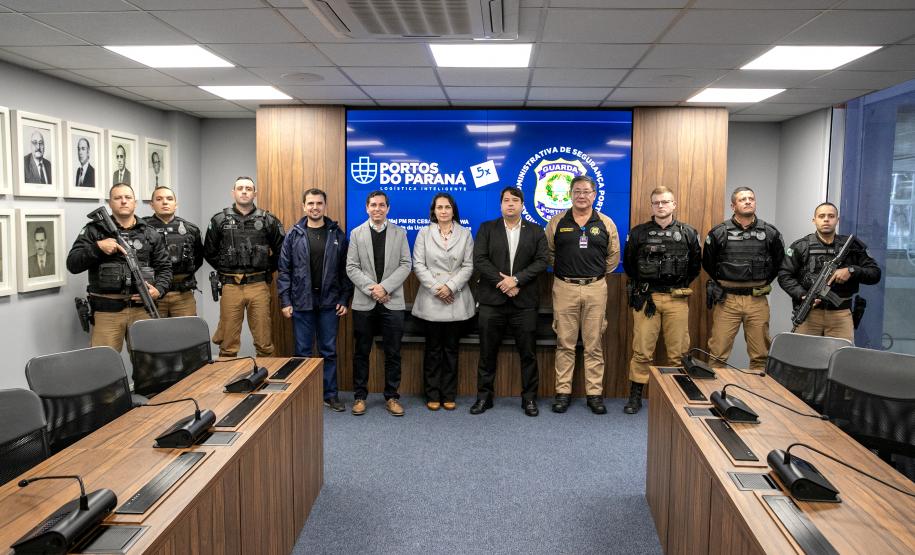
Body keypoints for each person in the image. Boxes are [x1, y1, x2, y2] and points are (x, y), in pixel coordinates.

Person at [545, 175, 620, 415]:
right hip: (564, 287)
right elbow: (548, 253)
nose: (581, 196)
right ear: (570, 194)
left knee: (594, 344)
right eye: (577, 191)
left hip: (595, 288)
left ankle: (594, 395)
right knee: (564, 343)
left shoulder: (605, 223)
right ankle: (563, 393)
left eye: (586, 191)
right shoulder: (557, 222)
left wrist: (593, 275)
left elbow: (613, 257)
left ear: (594, 195)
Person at [622, 186, 701, 414]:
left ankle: (676, 397)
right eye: (656, 202)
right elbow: (629, 265)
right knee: (642, 351)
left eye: (665, 202)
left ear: (673, 205)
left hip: (677, 298)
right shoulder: (638, 233)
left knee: (678, 352)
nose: (661, 206)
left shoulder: (688, 232)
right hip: (648, 299)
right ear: (651, 206)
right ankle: (635, 396)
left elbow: (696, 265)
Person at [471, 186, 548, 417]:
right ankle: (484, 398)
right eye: (506, 200)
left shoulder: (536, 231)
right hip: (491, 302)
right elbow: (480, 260)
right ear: (501, 205)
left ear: (522, 205)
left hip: (523, 302)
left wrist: (516, 280)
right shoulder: (487, 228)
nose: (510, 204)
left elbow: (542, 260)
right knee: (486, 353)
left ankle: (529, 399)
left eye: (515, 200)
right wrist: (503, 283)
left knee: (528, 354)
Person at [66, 183, 172, 352]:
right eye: (118, 198)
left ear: (135, 202)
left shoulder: (150, 232)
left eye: (128, 197)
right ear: (110, 203)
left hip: (142, 310)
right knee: (104, 365)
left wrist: (158, 290)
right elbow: (72, 264)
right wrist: (97, 247)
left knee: (148, 363)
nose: (123, 201)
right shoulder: (94, 231)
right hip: (107, 311)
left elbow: (165, 267)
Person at [278, 188, 353, 412]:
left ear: (325, 206)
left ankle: (330, 395)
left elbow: (345, 271)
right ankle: (303, 395)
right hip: (301, 301)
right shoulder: (293, 234)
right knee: (302, 351)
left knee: (328, 350)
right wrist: (285, 300)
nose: (315, 207)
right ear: (304, 206)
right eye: (310, 203)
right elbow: (284, 270)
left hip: (329, 302)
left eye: (319, 203)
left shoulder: (336, 234)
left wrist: (344, 298)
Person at [703, 187, 784, 371]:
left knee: (760, 355)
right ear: (733, 205)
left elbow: (778, 264)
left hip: (757, 300)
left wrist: (759, 282)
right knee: (717, 354)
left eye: (751, 198)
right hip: (727, 301)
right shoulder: (718, 232)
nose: (748, 201)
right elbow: (708, 264)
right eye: (742, 199)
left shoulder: (770, 233)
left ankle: (757, 397)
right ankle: (714, 395)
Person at [345, 191, 411, 417]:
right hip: (365, 303)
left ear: (388, 209)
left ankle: (392, 397)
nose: (377, 209)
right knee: (361, 352)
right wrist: (374, 289)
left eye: (382, 205)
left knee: (393, 353)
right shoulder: (356, 234)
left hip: (392, 303)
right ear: (366, 208)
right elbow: (351, 267)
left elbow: (406, 264)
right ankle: (360, 397)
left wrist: (386, 288)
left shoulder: (399, 232)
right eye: (373, 205)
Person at [204, 177, 285, 357]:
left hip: (258, 285)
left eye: (248, 188)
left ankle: (267, 381)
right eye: (240, 188)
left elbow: (282, 252)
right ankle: (226, 382)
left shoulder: (268, 220)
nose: (244, 191)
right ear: (233, 193)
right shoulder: (219, 220)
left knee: (264, 342)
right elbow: (209, 252)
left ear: (255, 193)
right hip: (230, 286)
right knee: (228, 344)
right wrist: (227, 266)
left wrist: (265, 268)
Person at [778, 202, 881, 342]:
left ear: (837, 220)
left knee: (841, 358)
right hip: (809, 314)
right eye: (821, 216)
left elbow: (875, 274)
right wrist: (802, 294)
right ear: (814, 220)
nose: (826, 219)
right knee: (802, 358)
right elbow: (784, 275)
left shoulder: (852, 246)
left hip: (841, 315)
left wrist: (851, 270)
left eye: (831, 216)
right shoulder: (801, 246)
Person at [412, 193, 474, 412]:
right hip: (432, 299)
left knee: (451, 350)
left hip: (456, 299)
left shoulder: (465, 233)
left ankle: (448, 394)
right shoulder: (424, 233)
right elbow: (418, 264)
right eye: (440, 207)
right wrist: (438, 288)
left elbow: (468, 265)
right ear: (434, 210)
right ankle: (432, 394)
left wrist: (451, 287)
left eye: (447, 207)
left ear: (453, 210)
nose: (444, 211)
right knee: (433, 350)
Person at [144, 186, 203, 317]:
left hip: (183, 294)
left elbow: (198, 259)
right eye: (159, 199)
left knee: (186, 334)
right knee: (154, 335)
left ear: (176, 204)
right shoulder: (142, 229)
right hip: (153, 294)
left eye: (169, 199)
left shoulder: (190, 229)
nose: (165, 202)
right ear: (152, 205)